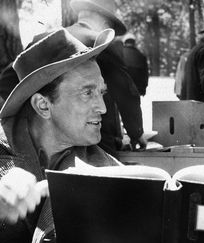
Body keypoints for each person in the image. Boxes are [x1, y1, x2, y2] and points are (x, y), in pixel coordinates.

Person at [0, 28, 122, 242]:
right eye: (87, 93)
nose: (103, 108)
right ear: (43, 105)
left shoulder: (107, 169)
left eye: (101, 93)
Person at [0, 0, 147, 158]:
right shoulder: (105, 46)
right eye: (88, 93)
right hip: (95, 142)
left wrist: (34, 119)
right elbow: (126, 92)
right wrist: (136, 133)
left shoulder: (46, 40)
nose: (102, 107)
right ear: (106, 22)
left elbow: (8, 82)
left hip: (41, 142)